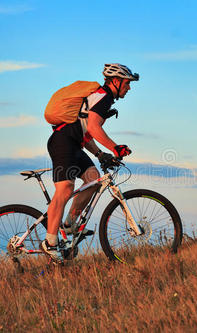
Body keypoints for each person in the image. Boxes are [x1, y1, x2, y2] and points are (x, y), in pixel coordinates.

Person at [41, 63, 140, 262]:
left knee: (93, 180)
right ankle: (50, 242)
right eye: (127, 83)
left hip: (74, 144)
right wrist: (115, 148)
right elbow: (94, 127)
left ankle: (68, 224)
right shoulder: (103, 97)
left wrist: (100, 154)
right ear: (116, 81)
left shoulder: (102, 98)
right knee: (65, 188)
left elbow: (84, 130)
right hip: (62, 143)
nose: (129, 88)